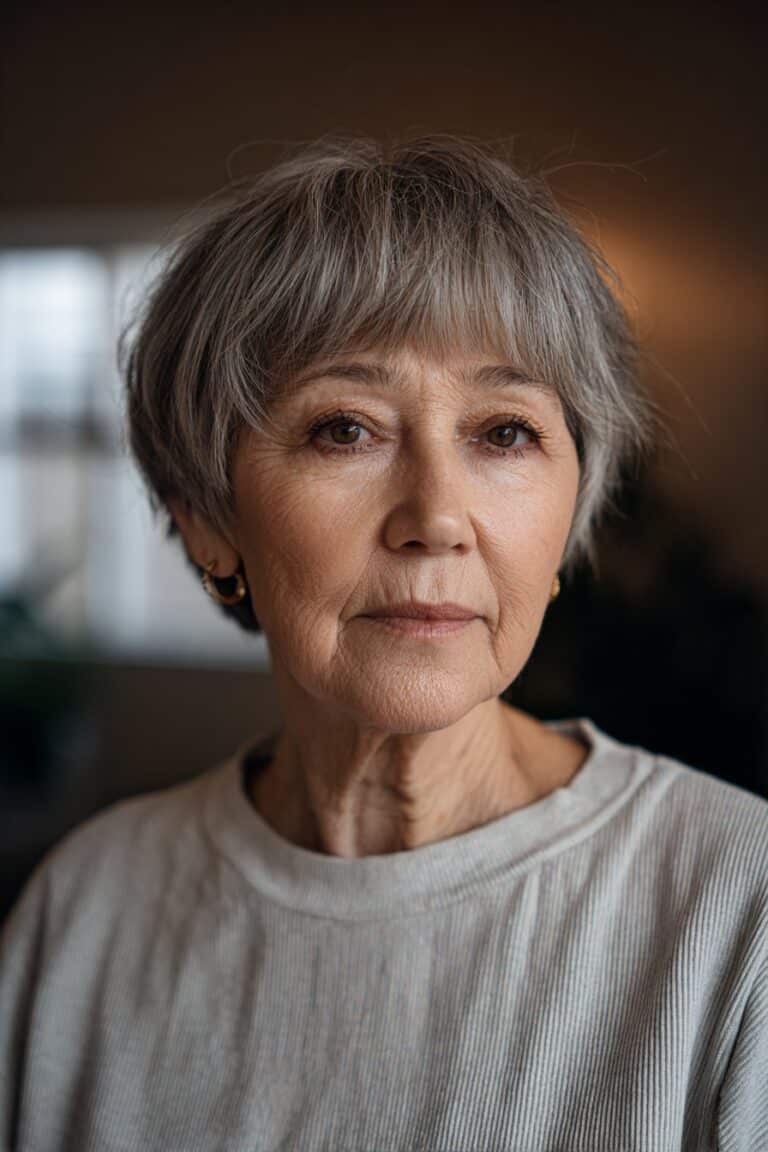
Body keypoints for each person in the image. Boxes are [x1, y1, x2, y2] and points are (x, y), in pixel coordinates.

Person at [1, 133, 766, 1152]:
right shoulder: (84, 911)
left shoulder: (739, 910)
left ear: (567, 520)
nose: (436, 517)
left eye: (504, 432)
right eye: (345, 429)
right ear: (207, 517)